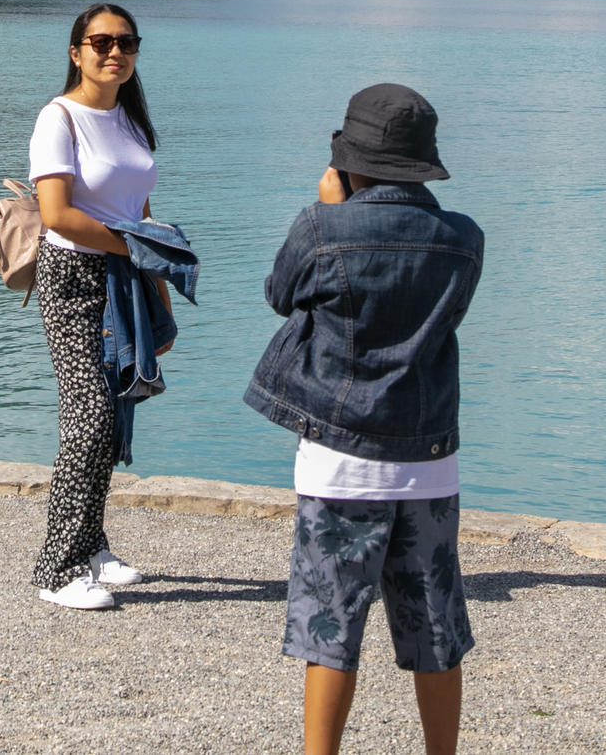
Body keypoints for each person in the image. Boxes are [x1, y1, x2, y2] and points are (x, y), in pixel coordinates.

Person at [246, 84, 482, 755]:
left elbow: (279, 293)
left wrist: (331, 211)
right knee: (434, 631)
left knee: (332, 630)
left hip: (339, 461)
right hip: (429, 461)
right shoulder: (464, 239)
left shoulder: (323, 226)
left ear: (349, 160)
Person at [27, 2, 161, 611]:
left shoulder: (131, 122)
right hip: (74, 277)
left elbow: (139, 208)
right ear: (76, 51)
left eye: (126, 42)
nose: (115, 52)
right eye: (101, 41)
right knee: (89, 417)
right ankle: (57, 568)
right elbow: (56, 214)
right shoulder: (59, 119)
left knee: (114, 413)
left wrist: (157, 288)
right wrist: (133, 246)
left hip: (126, 277)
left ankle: (93, 544)